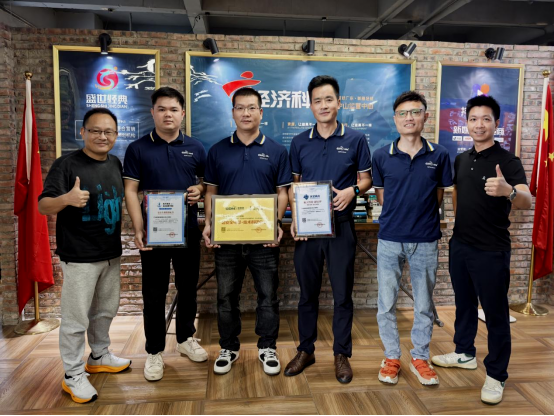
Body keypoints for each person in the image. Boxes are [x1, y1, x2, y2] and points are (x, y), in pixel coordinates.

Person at [432, 95, 532, 405]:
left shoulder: (508, 161)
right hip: (461, 245)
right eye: (473, 118)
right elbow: (457, 195)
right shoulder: (461, 159)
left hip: (491, 251)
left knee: (495, 314)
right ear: (466, 122)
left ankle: (497, 374)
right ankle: (464, 353)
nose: (479, 124)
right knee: (464, 304)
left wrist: (508, 191)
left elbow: (527, 200)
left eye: (486, 119)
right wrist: (457, 230)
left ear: (496, 123)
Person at [284, 75, 373, 384]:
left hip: (341, 228)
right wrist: (296, 219)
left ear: (339, 102)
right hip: (308, 230)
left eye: (328, 99)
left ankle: (341, 354)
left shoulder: (356, 139)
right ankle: (305, 350)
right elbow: (294, 186)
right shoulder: (299, 142)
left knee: (342, 295)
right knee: (306, 294)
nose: (323, 105)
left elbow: (366, 180)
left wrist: (353, 191)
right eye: (317, 101)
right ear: (310, 105)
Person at [39, 108, 131, 404]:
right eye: (96, 131)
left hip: (110, 253)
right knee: (76, 318)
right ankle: (73, 374)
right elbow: (43, 205)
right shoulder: (66, 164)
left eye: (108, 132)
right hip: (79, 256)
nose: (102, 136)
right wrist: (66, 199)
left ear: (116, 135)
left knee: (105, 310)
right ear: (83, 132)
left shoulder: (115, 162)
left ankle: (99, 355)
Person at [202, 87, 292, 376]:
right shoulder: (217, 150)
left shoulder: (277, 151)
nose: (246, 113)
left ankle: (267, 347)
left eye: (251, 107)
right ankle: (228, 347)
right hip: (227, 239)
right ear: (232, 113)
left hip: (263, 240)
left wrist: (275, 224)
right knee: (226, 297)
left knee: (268, 295)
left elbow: (282, 193)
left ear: (261, 112)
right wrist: (209, 224)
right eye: (240, 108)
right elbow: (211, 192)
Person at [123, 87, 208, 382]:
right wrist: (138, 228)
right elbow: (130, 190)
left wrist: (199, 189)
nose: (167, 114)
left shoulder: (196, 147)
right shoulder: (138, 148)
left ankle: (185, 338)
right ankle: (154, 350)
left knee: (188, 288)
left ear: (182, 113)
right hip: (154, 234)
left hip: (187, 231)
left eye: (173, 109)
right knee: (154, 292)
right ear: (153, 113)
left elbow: (206, 185)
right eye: (161, 109)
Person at [372, 91, 453, 387]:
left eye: (415, 112)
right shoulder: (381, 155)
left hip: (426, 239)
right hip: (390, 238)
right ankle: (391, 357)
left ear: (425, 116)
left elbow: (439, 196)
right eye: (403, 113)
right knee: (386, 303)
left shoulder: (439, 155)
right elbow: (382, 196)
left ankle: (420, 357)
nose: (409, 118)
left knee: (423, 303)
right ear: (395, 119)